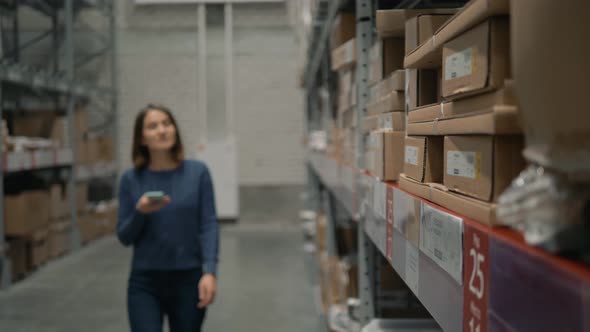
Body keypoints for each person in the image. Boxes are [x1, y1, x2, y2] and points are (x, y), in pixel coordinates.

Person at [117, 103, 219, 332]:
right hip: (145, 283)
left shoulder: (198, 173)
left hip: (189, 280)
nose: (162, 130)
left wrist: (210, 271)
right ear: (141, 139)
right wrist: (140, 212)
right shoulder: (131, 180)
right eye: (153, 126)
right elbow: (124, 236)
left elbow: (209, 224)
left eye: (167, 123)